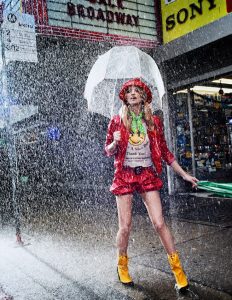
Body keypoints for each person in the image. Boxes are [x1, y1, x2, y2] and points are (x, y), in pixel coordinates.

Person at [104, 78, 198, 292]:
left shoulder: (153, 121)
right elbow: (107, 151)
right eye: (129, 91)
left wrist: (184, 175)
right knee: (125, 226)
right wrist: (115, 142)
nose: (133, 93)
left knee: (159, 222)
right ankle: (122, 265)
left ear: (143, 96)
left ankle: (178, 271)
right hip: (125, 174)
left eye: (137, 90)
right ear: (125, 98)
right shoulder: (117, 121)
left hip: (146, 173)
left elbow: (165, 152)